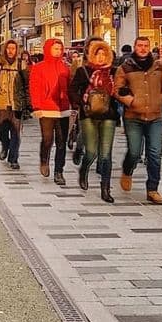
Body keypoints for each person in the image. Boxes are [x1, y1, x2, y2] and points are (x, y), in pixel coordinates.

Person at [114, 36, 162, 204]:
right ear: (134, 47)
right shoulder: (125, 67)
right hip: (133, 116)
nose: (142, 48)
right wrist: (130, 101)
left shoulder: (159, 66)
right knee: (134, 152)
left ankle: (153, 189)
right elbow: (117, 89)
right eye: (139, 45)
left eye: (145, 45)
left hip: (155, 116)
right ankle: (127, 170)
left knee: (154, 154)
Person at [68, 39, 117, 203]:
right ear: (92, 55)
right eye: (98, 54)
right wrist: (82, 103)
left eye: (104, 54)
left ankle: (105, 188)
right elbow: (73, 90)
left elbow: (122, 89)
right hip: (88, 115)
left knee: (106, 154)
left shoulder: (113, 72)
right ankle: (84, 169)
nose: (102, 57)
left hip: (108, 115)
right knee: (91, 152)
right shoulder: (84, 71)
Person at [29, 38, 72, 186]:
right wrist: (36, 106)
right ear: (48, 49)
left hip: (63, 109)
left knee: (61, 142)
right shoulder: (39, 68)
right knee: (48, 139)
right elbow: (34, 87)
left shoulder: (65, 67)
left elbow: (70, 87)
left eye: (60, 49)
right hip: (46, 109)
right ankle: (44, 160)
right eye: (55, 49)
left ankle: (59, 171)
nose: (58, 51)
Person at [0, 40, 29, 170]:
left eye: (13, 48)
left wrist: (28, 102)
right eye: (8, 48)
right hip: (2, 102)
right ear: (5, 50)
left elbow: (27, 84)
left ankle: (13, 158)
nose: (10, 51)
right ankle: (5, 145)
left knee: (16, 132)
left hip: (16, 103)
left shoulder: (21, 64)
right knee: (1, 130)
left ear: (17, 50)